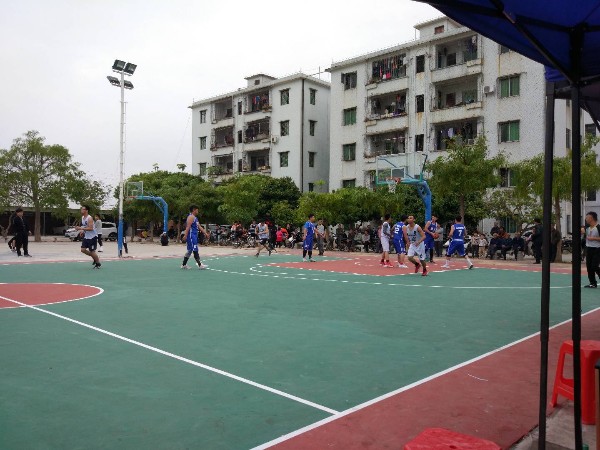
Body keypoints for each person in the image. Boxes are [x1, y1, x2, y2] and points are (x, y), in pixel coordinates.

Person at [181, 205, 209, 269]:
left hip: (194, 235)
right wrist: (185, 235)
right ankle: (200, 265)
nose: (198, 211)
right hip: (191, 236)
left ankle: (183, 265)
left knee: (190, 250)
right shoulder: (190, 217)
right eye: (197, 209)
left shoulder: (195, 218)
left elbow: (199, 226)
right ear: (194, 210)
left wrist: (205, 233)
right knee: (194, 249)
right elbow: (187, 227)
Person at [584, 212, 600, 288]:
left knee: (594, 266)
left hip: (597, 249)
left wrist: (594, 238)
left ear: (592, 218)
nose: (586, 219)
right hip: (589, 249)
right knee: (589, 267)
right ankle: (593, 283)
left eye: (587, 217)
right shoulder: (587, 227)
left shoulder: (598, 227)